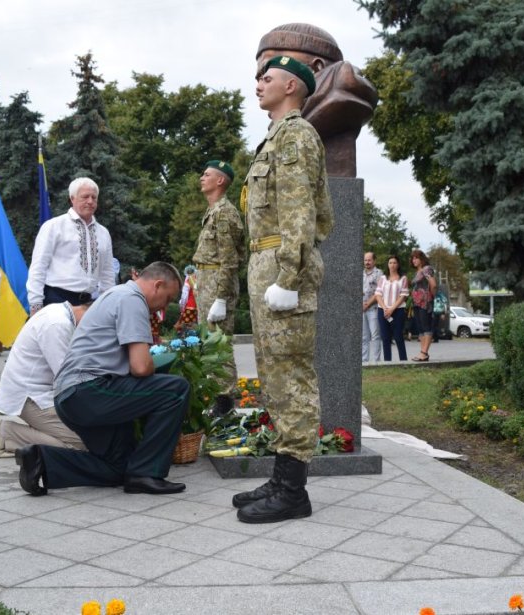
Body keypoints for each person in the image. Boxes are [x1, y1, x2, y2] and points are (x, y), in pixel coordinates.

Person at [233, 55, 333, 524]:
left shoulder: (295, 134)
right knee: (274, 377)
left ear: (292, 85)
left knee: (291, 378)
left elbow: (299, 211)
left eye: (266, 78)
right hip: (266, 261)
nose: (258, 84)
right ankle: (282, 477)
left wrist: (289, 278)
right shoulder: (275, 137)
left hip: (281, 265)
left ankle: (293, 491)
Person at [13, 262, 190, 497]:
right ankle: (147, 473)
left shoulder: (113, 295)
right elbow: (140, 367)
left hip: (69, 396)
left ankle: (41, 461)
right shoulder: (132, 299)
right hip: (90, 391)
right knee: (176, 390)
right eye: (167, 299)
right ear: (157, 285)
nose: (163, 308)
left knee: (118, 467)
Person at [255, 23, 379, 177]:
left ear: (317, 68)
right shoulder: (280, 129)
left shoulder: (343, 97)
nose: (258, 87)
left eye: (267, 78)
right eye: (259, 78)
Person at [0, 301, 90, 457]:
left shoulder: (59, 311)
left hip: (38, 392)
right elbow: (69, 378)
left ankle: (37, 433)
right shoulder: (58, 324)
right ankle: (7, 433)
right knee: (85, 443)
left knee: (91, 436)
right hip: (31, 397)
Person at [192, 160, 245, 403]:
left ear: (220, 181)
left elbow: (230, 260)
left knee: (219, 346)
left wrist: (221, 298)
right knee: (210, 345)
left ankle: (224, 406)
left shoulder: (225, 212)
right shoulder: (213, 211)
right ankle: (214, 401)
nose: (202, 178)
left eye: (207, 174)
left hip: (217, 286)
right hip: (207, 282)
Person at [27, 177, 115, 314]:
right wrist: (35, 304)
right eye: (85, 197)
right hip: (56, 299)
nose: (90, 201)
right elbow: (39, 266)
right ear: (72, 198)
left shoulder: (103, 233)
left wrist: (108, 304)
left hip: (89, 303)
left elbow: (107, 273)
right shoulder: (54, 226)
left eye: (94, 197)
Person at [375, 255, 409, 361]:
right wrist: (385, 308)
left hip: (398, 311)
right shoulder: (382, 278)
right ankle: (387, 362)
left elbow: (403, 296)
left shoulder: (403, 278)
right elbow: (378, 294)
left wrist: (391, 309)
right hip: (383, 310)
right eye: (390, 263)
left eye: (394, 263)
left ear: (398, 265)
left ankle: (403, 361)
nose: (392, 265)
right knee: (385, 338)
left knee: (398, 336)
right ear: (388, 265)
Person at [410, 249, 437, 361]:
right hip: (417, 303)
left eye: (416, 258)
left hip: (425, 303)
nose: (414, 260)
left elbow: (433, 284)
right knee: (421, 329)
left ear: (422, 259)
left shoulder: (426, 269)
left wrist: (431, 296)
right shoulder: (418, 271)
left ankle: (424, 353)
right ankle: (422, 354)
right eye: (413, 258)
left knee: (426, 328)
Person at [361, 252, 382, 364]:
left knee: (375, 335)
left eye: (369, 260)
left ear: (374, 261)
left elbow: (379, 291)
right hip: (361, 309)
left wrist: (367, 304)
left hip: (373, 308)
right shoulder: (361, 274)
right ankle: (364, 361)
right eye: (365, 260)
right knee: (364, 336)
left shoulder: (379, 273)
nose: (367, 262)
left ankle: (376, 361)